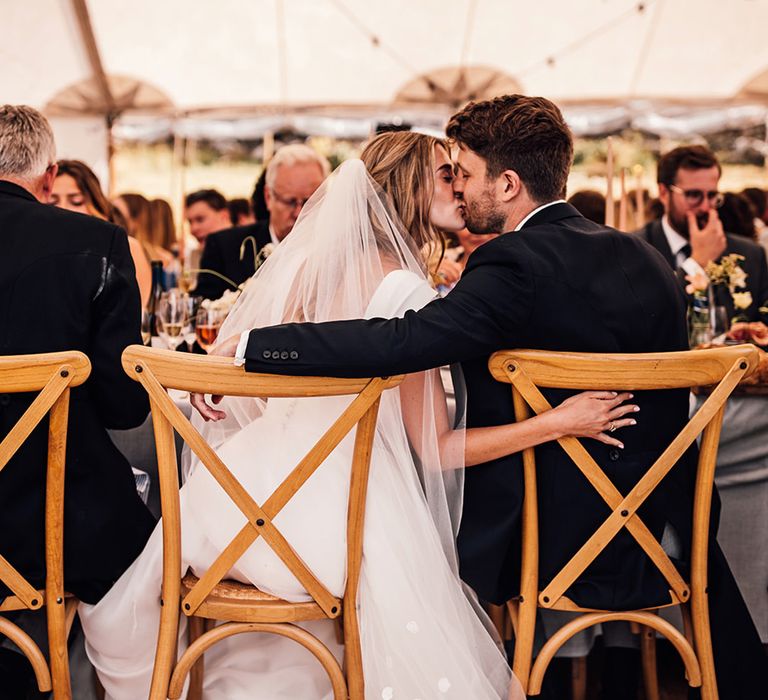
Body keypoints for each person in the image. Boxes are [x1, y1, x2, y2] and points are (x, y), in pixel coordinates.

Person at [210, 95, 767, 698]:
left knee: (415, 503)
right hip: (660, 524)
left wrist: (256, 345)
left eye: (466, 175)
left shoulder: (510, 263)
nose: (460, 190)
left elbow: (404, 341)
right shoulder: (647, 256)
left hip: (547, 535)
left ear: (506, 184)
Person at [80, 130, 636, 700]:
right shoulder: (406, 292)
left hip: (227, 510)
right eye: (446, 175)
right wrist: (556, 423)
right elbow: (436, 449)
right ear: (414, 189)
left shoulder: (306, 272)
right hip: (329, 526)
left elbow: (262, 393)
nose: (459, 188)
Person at [0, 105, 156, 694]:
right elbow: (124, 406)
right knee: (146, 548)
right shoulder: (98, 243)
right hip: (57, 517)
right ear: (49, 174)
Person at [636, 145, 768, 323]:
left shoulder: (750, 254)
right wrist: (697, 263)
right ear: (664, 193)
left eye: (712, 195)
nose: (705, 207)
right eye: (693, 195)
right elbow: (647, 322)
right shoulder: (636, 250)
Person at [194, 145, 330, 300]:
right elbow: (202, 311)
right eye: (290, 201)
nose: (299, 212)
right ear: (268, 197)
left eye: (309, 202)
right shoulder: (224, 247)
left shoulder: (336, 253)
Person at [50, 159, 153, 307]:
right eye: (52, 202)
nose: (63, 208)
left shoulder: (127, 247)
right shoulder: (42, 252)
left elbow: (136, 313)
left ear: (95, 203)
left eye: (76, 201)